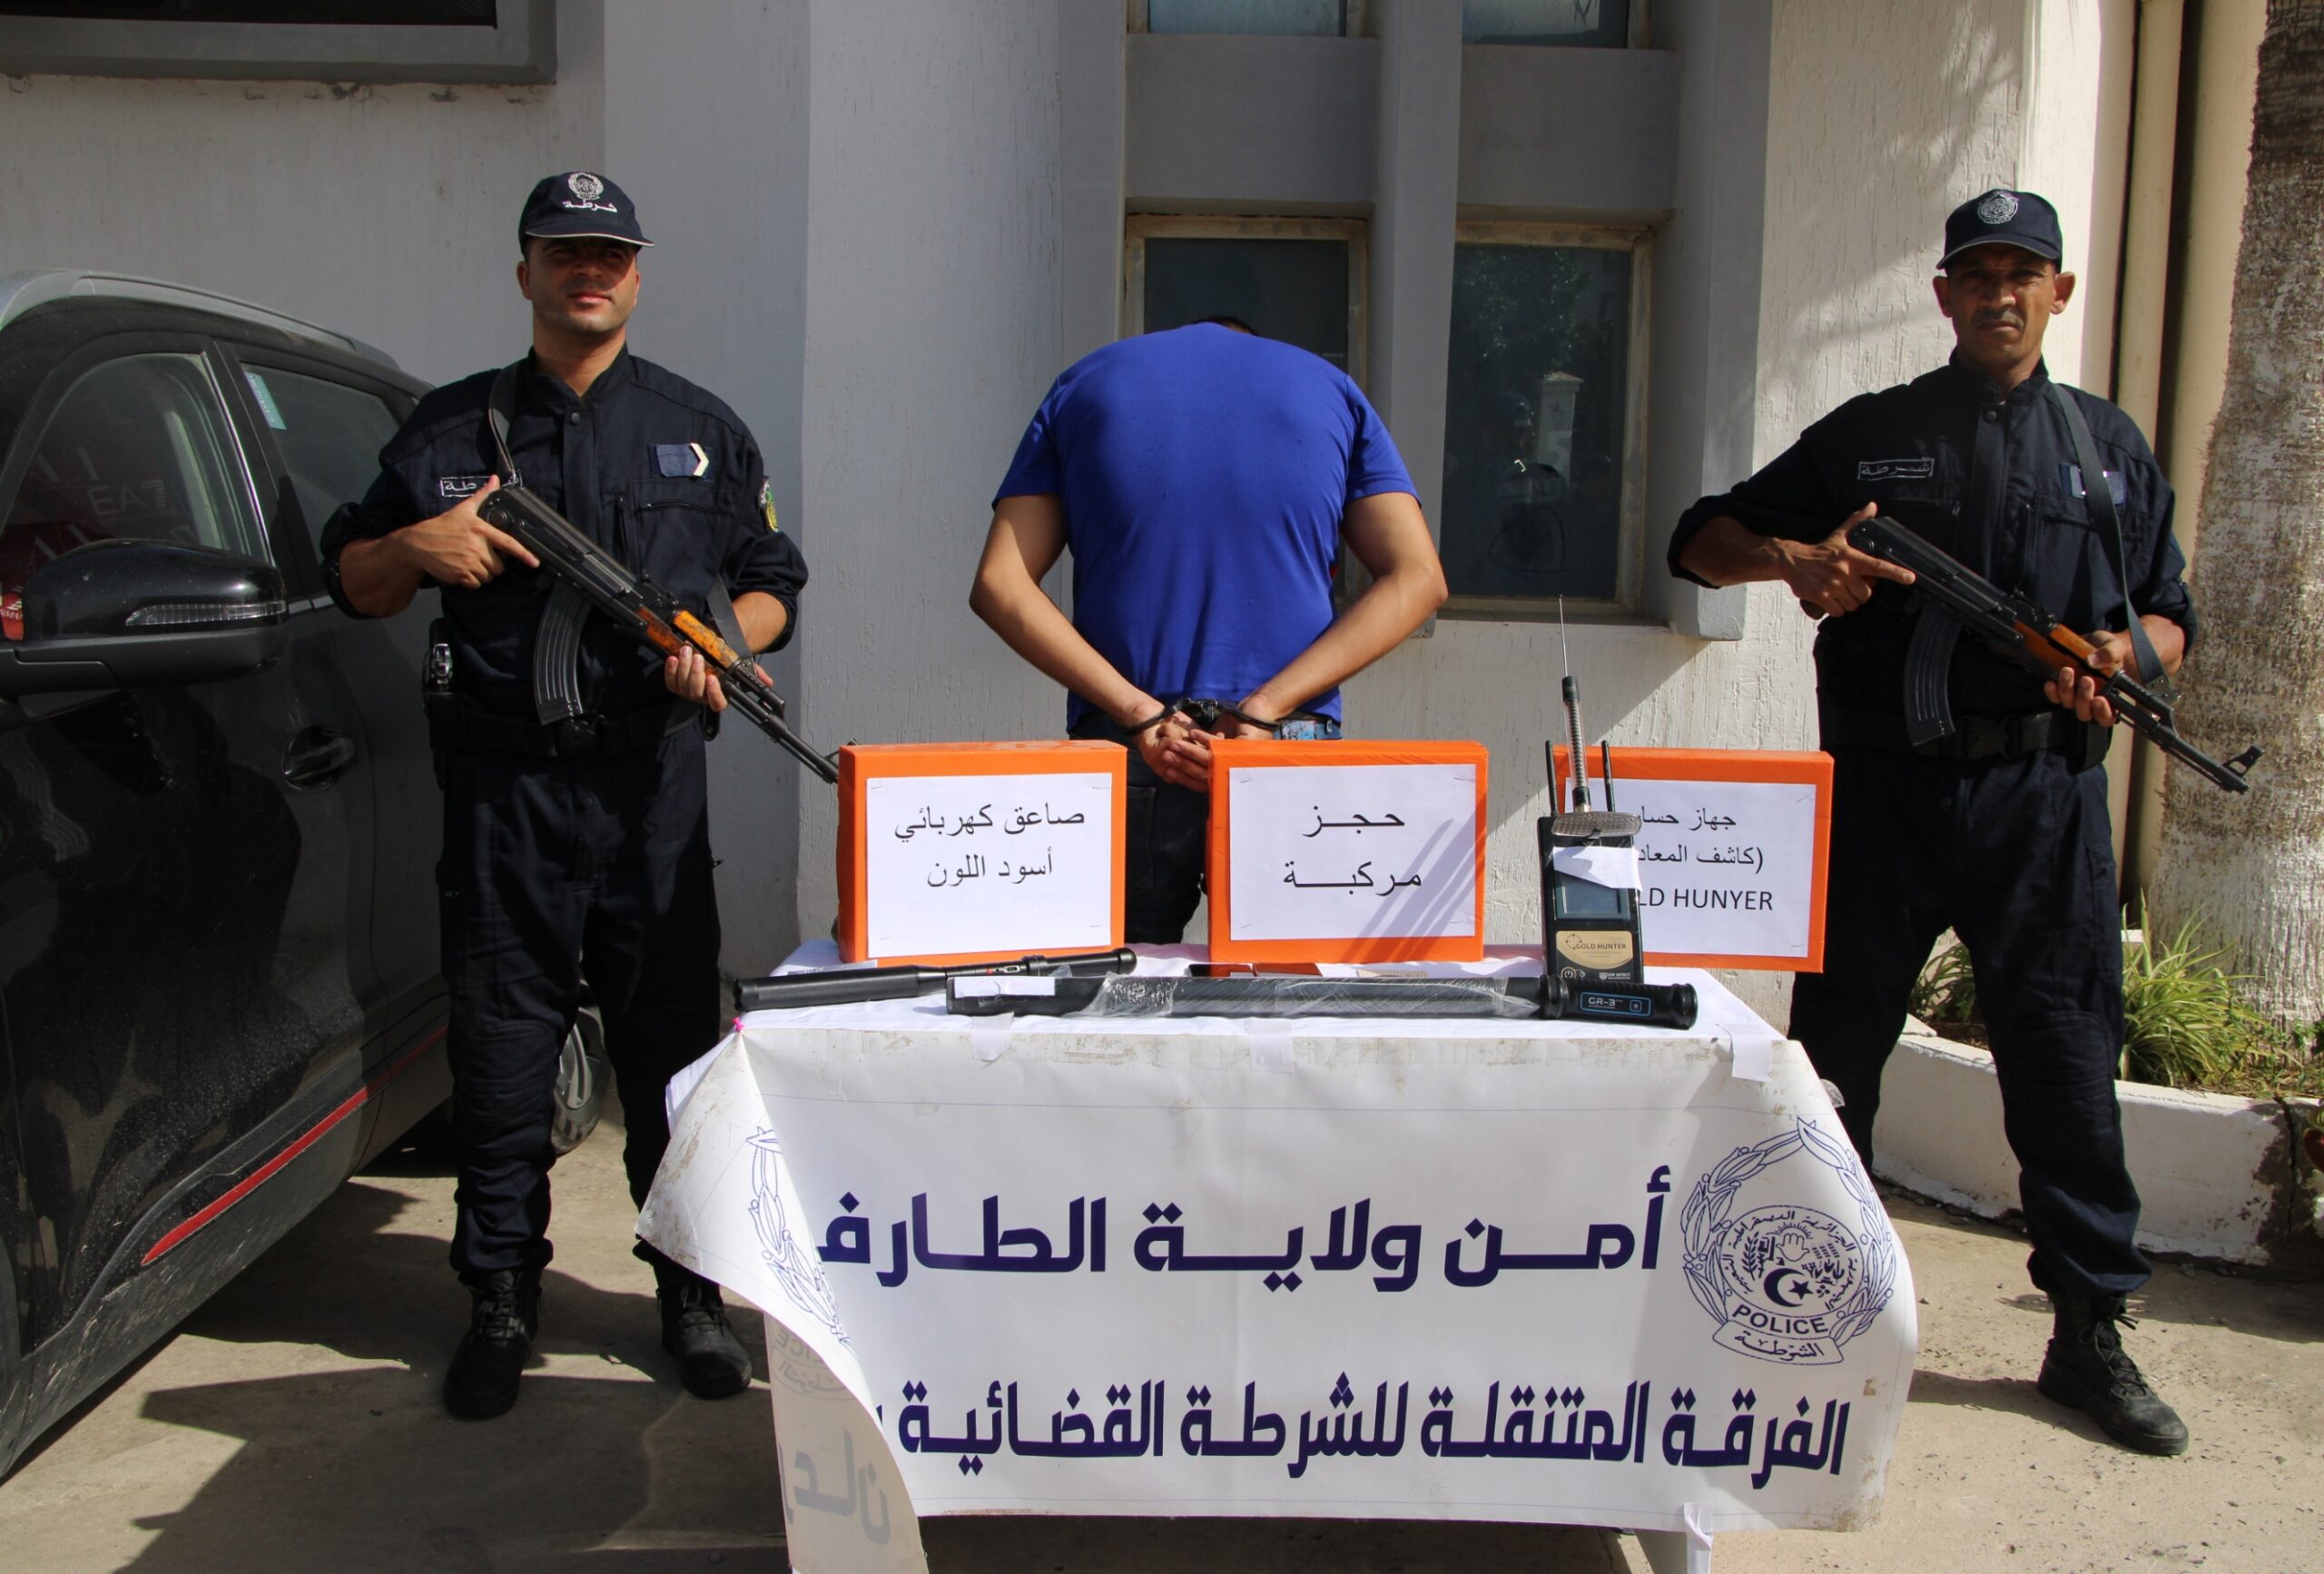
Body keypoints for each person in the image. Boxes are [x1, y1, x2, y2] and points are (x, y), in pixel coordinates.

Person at [1668, 189, 2195, 1456]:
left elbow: (2171, 614)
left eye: (2024, 273)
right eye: (1979, 273)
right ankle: (1806, 1315)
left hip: (2043, 801)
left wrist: (2119, 658)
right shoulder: (1874, 435)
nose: (2001, 293)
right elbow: (1698, 541)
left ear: (2058, 293)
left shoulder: (2108, 448)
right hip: (1883, 793)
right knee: (1836, 1060)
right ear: (1944, 293)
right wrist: (1794, 562)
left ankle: (2088, 1330)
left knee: (2066, 1065)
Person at [321, 172, 807, 1419]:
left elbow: (773, 586)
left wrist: (723, 643)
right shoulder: (448, 432)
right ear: (526, 271)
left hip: (652, 792)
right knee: (500, 1058)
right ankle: (499, 1297)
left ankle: (690, 1294)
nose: (589, 271)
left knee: (671, 1057)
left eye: (610, 254)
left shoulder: (703, 429)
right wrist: (416, 546)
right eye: (565, 252)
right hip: (504, 792)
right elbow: (356, 581)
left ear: (636, 275)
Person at [970, 318, 1448, 941]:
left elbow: (1000, 584)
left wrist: (1139, 712)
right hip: (1279, 738)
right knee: (1282, 977)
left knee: (1120, 979)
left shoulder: (1084, 387)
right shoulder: (1331, 391)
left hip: (1134, 738)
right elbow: (1419, 579)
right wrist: (1266, 707)